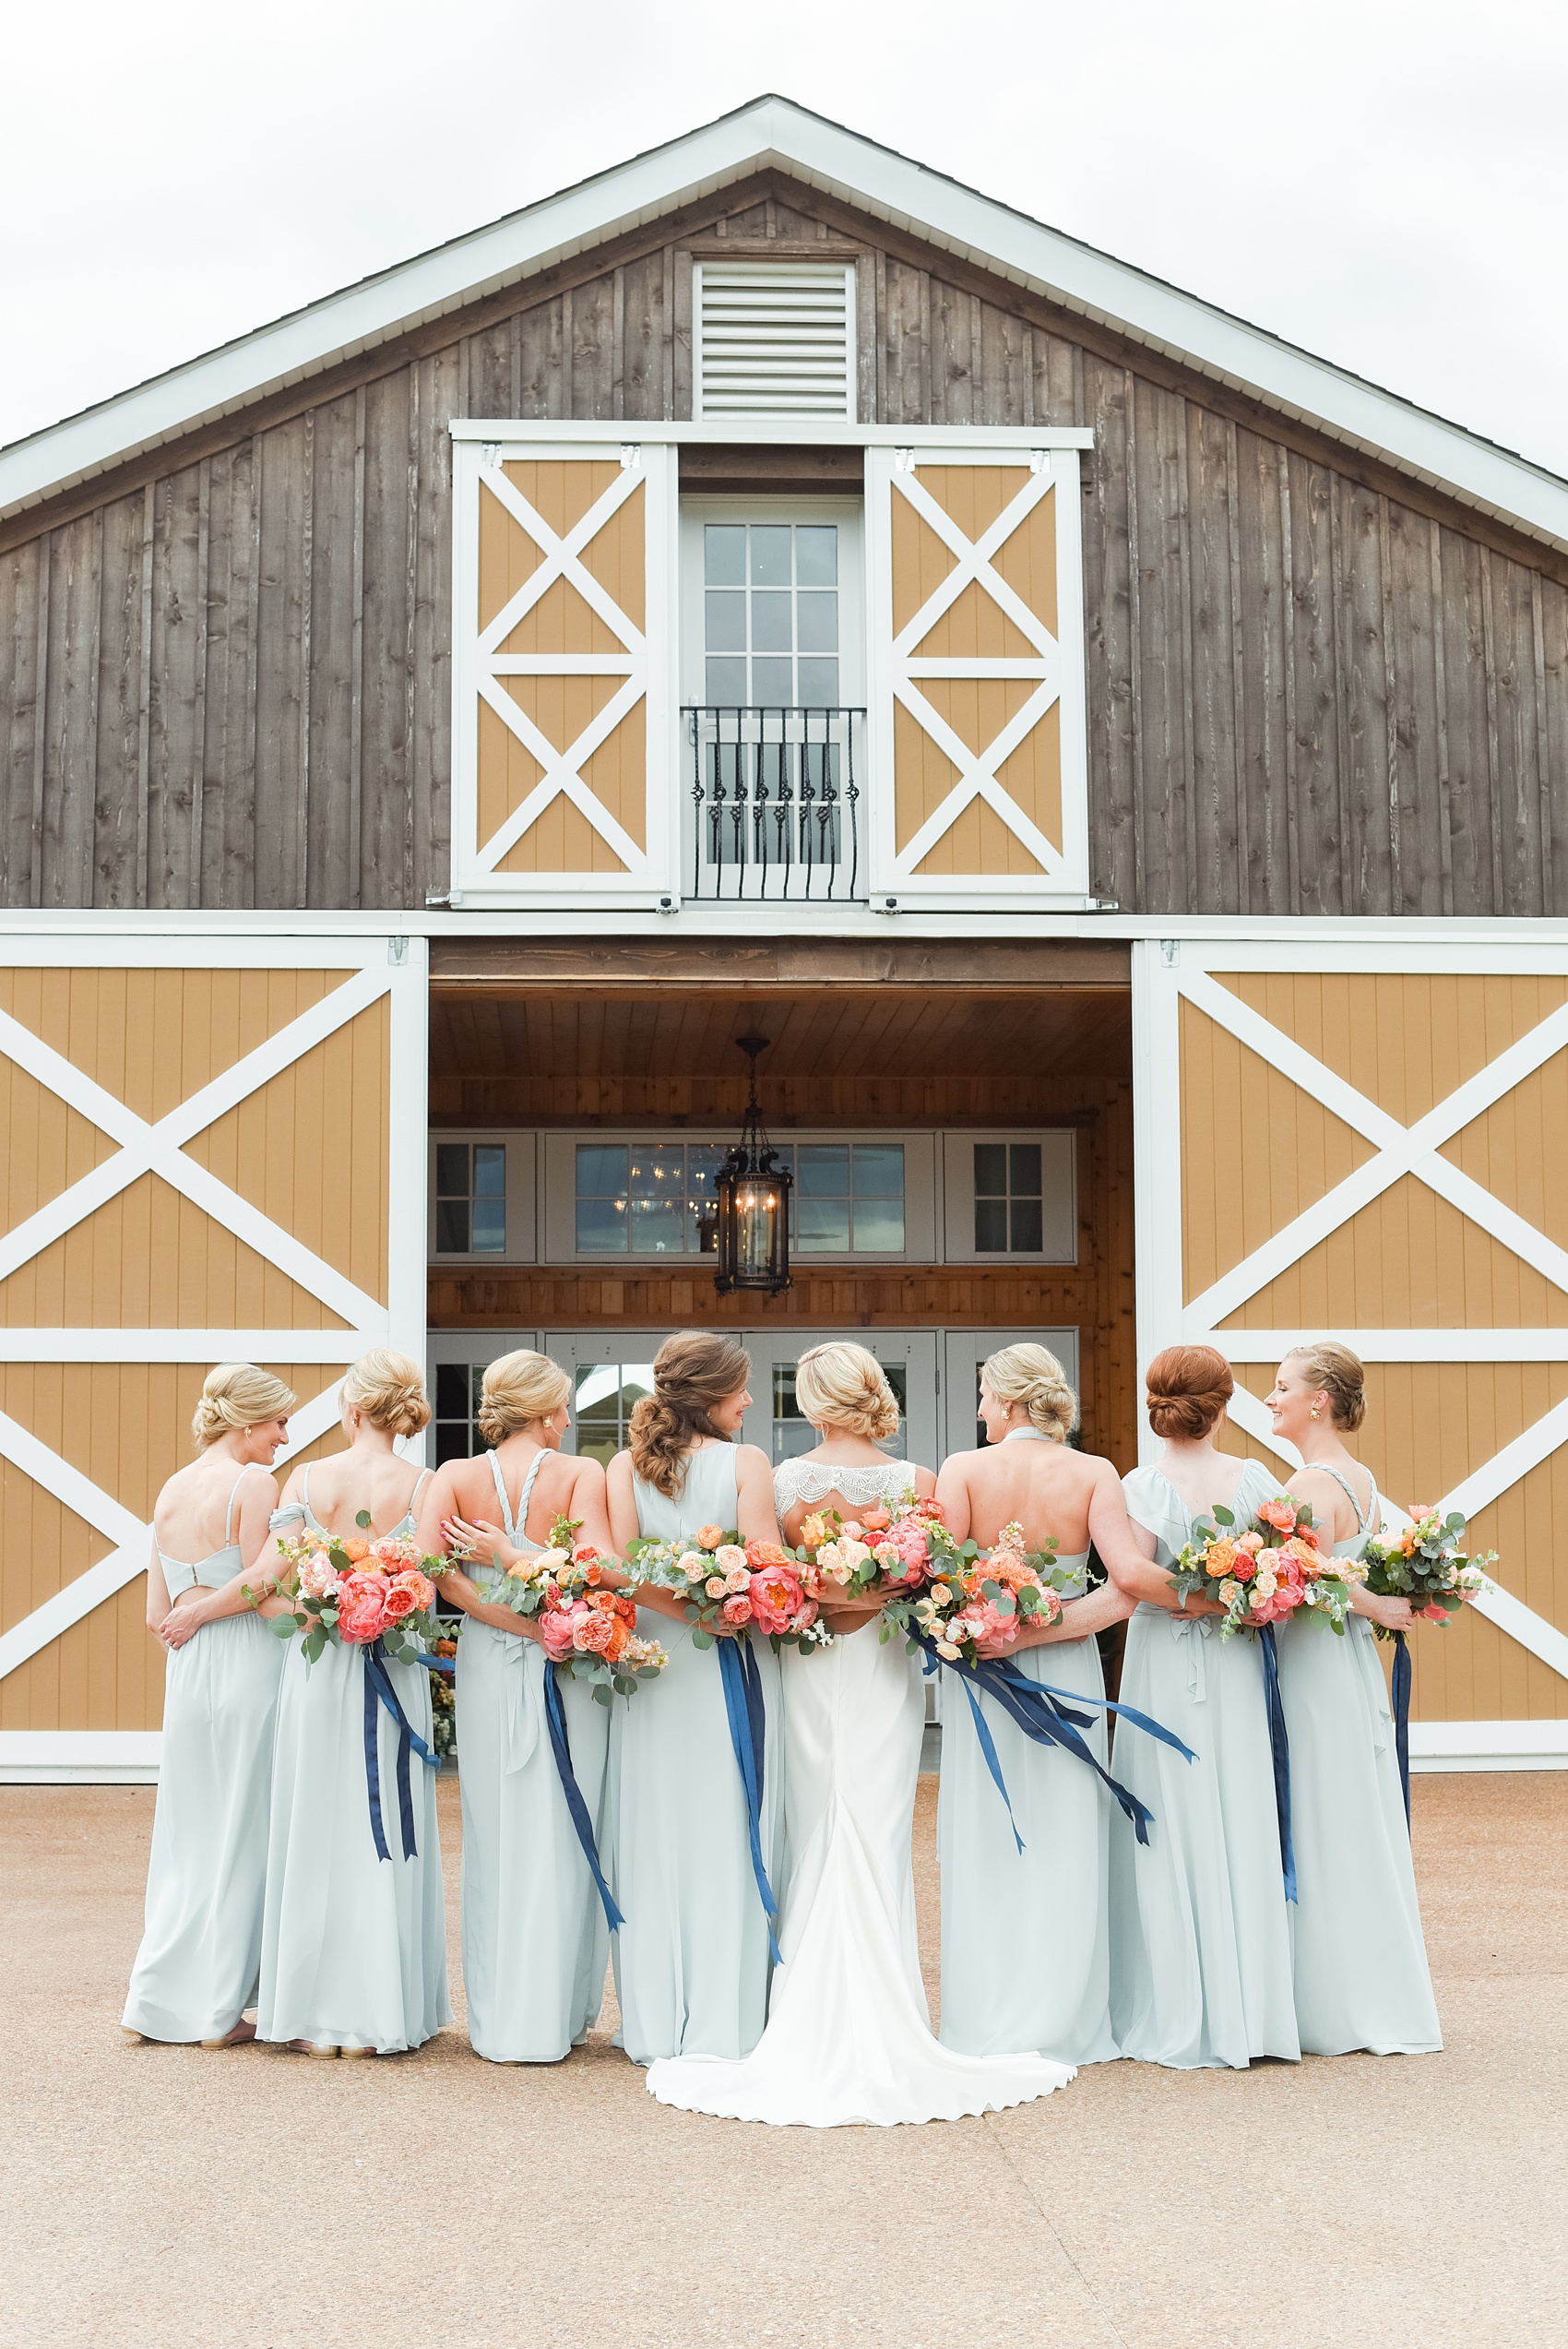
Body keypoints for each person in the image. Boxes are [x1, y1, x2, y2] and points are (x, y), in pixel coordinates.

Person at [646, 1340, 1073, 2125]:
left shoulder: (781, 1482)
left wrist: (819, 1598)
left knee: (813, 1824)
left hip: (808, 1663)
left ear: (811, 1404)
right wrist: (870, 1593)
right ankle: (886, 2011)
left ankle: (800, 2008)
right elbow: (932, 1580)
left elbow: (770, 1580)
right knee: (876, 1829)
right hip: (880, 1667)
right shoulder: (918, 1482)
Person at [933, 1344, 1137, 2068]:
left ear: (1013, 1402)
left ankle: (985, 2014)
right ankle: (1069, 2016)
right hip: (1064, 1665)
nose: (980, 1409)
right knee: (1066, 1827)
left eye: (986, 1394)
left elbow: (933, 1580)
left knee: (988, 1827)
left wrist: (992, 1631)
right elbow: (1124, 1586)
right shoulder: (1095, 1473)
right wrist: (1046, 1629)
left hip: (985, 1671)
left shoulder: (963, 1469)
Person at [415, 1350, 613, 2063]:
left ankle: (502, 2023)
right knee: (564, 1825)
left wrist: (492, 1605)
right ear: (544, 1409)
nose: (567, 1418)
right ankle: (558, 2016)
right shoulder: (582, 1474)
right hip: (565, 1658)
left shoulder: (455, 1477)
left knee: (493, 1829)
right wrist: (538, 1623)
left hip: (489, 1660)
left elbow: (429, 1568)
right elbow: (596, 1571)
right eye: (563, 1405)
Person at [1108, 1345, 1300, 2068]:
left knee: (1171, 1808)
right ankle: (1249, 2011)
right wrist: (1239, 1598)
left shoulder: (1140, 1483)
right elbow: (1289, 1572)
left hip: (1163, 1658)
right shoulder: (1256, 1479)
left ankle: (1177, 2004)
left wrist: (1190, 1597)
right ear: (1223, 1405)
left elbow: (1134, 1576)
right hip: (1234, 1654)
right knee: (1237, 1808)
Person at [257, 1350, 450, 2058]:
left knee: (317, 1816)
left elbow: (268, 1581)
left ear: (352, 1409)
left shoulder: (305, 1478)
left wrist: (322, 1612)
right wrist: (381, 1604)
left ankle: (310, 2014)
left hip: (320, 1670)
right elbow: (428, 1588)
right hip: (392, 1669)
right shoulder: (427, 1486)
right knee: (387, 1823)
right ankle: (378, 2013)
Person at [605, 1330, 785, 2066]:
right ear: (710, 1393)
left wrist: (682, 1612)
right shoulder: (747, 1462)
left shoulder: (623, 1464)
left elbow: (618, 1570)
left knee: (655, 1835)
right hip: (723, 1661)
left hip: (652, 1667)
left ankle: (658, 2025)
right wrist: (716, 1610)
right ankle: (727, 2022)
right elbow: (770, 1565)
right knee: (726, 1826)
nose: (748, 1400)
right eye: (741, 1387)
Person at [1266, 1341, 1443, 2057]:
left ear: (1320, 1401)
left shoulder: (1307, 1484)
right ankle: (1370, 1989)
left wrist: (1378, 1607)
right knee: (1347, 1810)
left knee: (1319, 1812)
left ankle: (1329, 2003)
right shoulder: (1359, 1476)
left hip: (1315, 1662)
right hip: (1341, 1663)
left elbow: (1308, 1580)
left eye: (1281, 1387)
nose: (1270, 1398)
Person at [122, 1365, 296, 2047]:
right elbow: (258, 1586)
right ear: (248, 1422)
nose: (285, 1436)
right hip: (246, 1659)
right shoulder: (254, 1484)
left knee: (188, 1834)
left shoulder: (171, 1487)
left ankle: (158, 2001)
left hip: (187, 1673)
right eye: (279, 1422)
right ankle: (221, 2010)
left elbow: (155, 1611)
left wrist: (187, 1625)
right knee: (243, 1826)